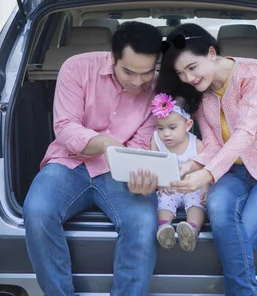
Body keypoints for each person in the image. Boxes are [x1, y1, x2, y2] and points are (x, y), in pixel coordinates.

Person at [156, 23, 257, 296]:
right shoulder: (201, 92)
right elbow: (212, 144)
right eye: (180, 73)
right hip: (233, 174)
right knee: (222, 219)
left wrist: (205, 175)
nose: (188, 78)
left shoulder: (253, 72)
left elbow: (245, 132)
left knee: (237, 237)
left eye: (192, 67)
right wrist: (192, 165)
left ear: (211, 53)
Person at [23, 21, 162, 296]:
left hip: (119, 170)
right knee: (37, 211)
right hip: (68, 163)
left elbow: (142, 141)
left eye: (146, 73)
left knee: (144, 222)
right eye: (129, 72)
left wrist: (139, 172)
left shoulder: (158, 88)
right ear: (113, 58)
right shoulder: (76, 68)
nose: (137, 81)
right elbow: (65, 126)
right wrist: (104, 144)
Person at [150, 93, 206, 252]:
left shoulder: (197, 144)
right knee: (163, 200)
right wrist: (160, 185)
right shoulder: (156, 140)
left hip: (192, 187)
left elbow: (204, 169)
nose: (165, 133)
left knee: (196, 203)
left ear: (187, 125)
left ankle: (192, 229)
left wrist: (206, 191)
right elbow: (155, 164)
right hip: (170, 187)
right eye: (160, 128)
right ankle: (164, 228)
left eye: (172, 128)